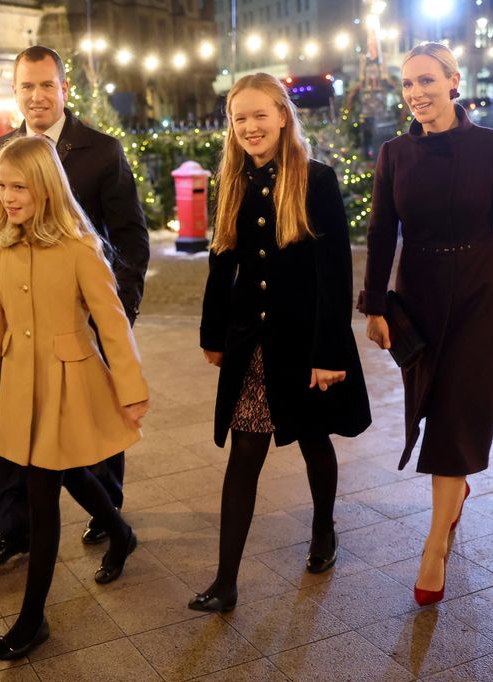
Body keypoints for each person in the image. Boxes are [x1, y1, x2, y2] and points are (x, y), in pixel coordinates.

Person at [358, 43, 493, 607]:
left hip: (477, 295)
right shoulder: (394, 153)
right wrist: (374, 305)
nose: (416, 93)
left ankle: (433, 545)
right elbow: (379, 234)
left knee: (456, 413)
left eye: (426, 80)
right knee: (430, 405)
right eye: (407, 84)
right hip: (416, 295)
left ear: (453, 82)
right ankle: (453, 496)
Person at [0, 135, 149, 659]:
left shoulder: (79, 248)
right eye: (1, 187)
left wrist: (131, 389)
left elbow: (112, 325)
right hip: (21, 385)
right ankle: (119, 529)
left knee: (43, 492)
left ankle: (32, 618)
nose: (8, 197)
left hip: (69, 381)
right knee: (63, 472)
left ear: (45, 188)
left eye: (19, 186)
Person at [190, 73, 372, 613]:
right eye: (239, 118)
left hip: (306, 339)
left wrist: (330, 353)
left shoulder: (316, 178)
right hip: (252, 341)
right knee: (245, 452)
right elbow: (221, 263)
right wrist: (214, 332)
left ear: (283, 116)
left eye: (259, 115)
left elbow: (336, 273)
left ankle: (323, 528)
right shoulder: (232, 182)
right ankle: (225, 580)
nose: (249, 126)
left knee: (315, 440)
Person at [0, 46, 149, 568]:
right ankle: (11, 530)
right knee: (15, 428)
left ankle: (105, 512)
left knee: (90, 429)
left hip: (83, 320)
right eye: (27, 86)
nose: (37, 95)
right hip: (19, 328)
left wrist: (116, 310)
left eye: (47, 85)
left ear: (64, 88)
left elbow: (132, 239)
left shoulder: (100, 150)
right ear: (15, 92)